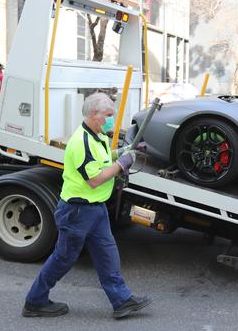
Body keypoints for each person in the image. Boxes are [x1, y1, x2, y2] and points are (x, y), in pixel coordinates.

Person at [22, 92, 151, 319]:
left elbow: (101, 159)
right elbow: (95, 180)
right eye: (109, 115)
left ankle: (121, 300)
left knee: (107, 254)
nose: (112, 119)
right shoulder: (80, 142)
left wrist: (124, 152)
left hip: (95, 210)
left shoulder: (96, 136)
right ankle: (35, 301)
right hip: (77, 211)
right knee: (63, 259)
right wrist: (122, 164)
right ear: (94, 114)